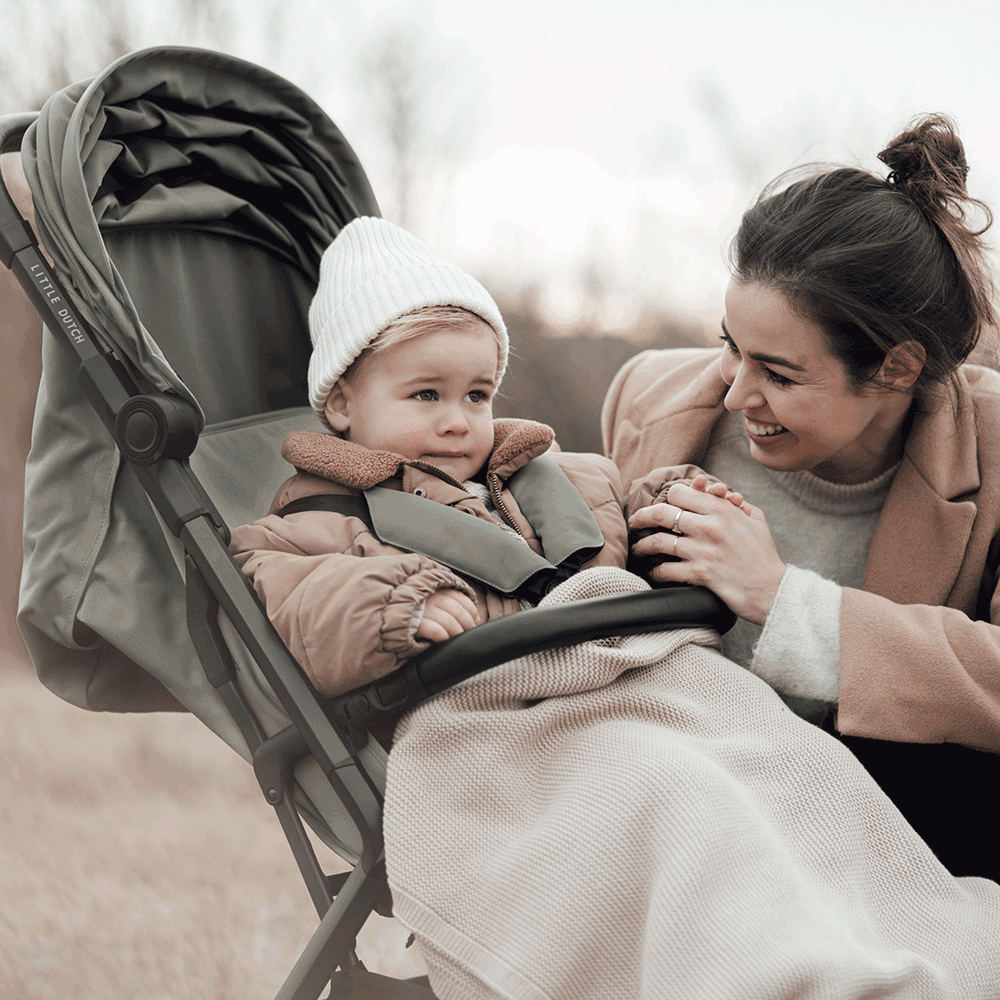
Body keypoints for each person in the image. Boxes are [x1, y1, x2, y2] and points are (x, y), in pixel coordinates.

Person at [601, 113, 1000, 879]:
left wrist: (784, 600)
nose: (734, 392)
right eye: (729, 345)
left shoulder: (996, 452)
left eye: (779, 375)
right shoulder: (646, 398)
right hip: (663, 821)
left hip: (887, 847)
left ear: (895, 370)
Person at [228, 215, 628, 698]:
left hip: (617, 670)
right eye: (426, 395)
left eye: (477, 396)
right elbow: (277, 586)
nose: (457, 421)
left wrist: (673, 503)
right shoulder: (323, 517)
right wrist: (396, 603)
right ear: (341, 404)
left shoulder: (544, 475)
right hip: (488, 711)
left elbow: (621, 499)